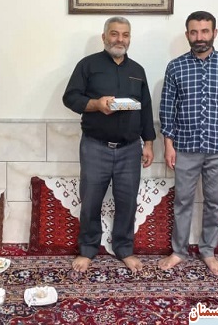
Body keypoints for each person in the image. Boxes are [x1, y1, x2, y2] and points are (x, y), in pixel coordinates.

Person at [63, 16, 155, 274]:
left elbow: (146, 108)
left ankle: (124, 249)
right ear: (104, 37)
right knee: (91, 201)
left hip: (130, 149)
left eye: (125, 35)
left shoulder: (137, 70)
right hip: (95, 146)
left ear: (129, 38)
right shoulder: (87, 65)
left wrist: (148, 143)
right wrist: (96, 104)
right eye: (114, 34)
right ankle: (87, 250)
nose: (119, 39)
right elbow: (70, 97)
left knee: (127, 202)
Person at [158, 11, 218, 276]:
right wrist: (168, 145)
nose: (199, 37)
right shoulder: (175, 67)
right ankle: (179, 251)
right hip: (184, 148)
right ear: (187, 35)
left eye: (205, 31)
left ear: (214, 33)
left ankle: (208, 251)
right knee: (182, 201)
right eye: (194, 32)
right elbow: (167, 109)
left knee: (214, 202)